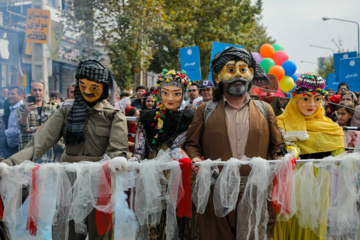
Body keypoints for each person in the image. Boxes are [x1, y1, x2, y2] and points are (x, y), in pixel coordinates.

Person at [0, 59, 130, 240]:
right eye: (83, 85)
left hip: (101, 181)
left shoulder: (113, 115)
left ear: (104, 86)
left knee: (100, 232)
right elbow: (39, 144)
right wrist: (8, 163)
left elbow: (118, 149)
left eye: (94, 87)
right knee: (67, 231)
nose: (87, 91)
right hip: (70, 181)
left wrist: (118, 159)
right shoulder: (66, 110)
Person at [185, 47, 285, 240]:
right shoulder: (205, 110)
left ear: (251, 76)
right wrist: (196, 159)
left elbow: (277, 146)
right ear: (217, 78)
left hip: (256, 193)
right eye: (230, 70)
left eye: (243, 70)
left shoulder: (265, 109)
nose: (237, 76)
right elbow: (192, 144)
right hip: (215, 193)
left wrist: (280, 164)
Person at [275, 73, 345, 240]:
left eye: (317, 99)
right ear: (296, 98)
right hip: (289, 186)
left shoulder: (331, 128)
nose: (311, 104)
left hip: (318, 186)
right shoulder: (280, 123)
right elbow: (276, 149)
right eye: (306, 99)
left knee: (314, 226)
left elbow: (339, 157)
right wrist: (291, 150)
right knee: (288, 226)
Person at [131, 69, 196, 239]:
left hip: (182, 172)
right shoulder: (147, 117)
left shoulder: (191, 116)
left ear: (183, 94)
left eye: (176, 93)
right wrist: (133, 160)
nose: (170, 98)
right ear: (159, 93)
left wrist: (177, 146)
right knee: (155, 220)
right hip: (154, 175)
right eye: (165, 93)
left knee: (183, 221)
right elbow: (138, 149)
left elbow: (194, 142)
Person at [17, 80, 57, 163]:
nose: (37, 92)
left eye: (40, 90)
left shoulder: (52, 109)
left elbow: (53, 129)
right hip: (27, 150)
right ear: (30, 91)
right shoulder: (22, 108)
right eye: (34, 90)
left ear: (44, 91)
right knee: (27, 174)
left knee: (45, 174)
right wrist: (26, 112)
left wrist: (30, 129)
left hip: (46, 151)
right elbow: (23, 128)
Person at [4, 86, 24, 157]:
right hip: (12, 148)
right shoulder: (13, 108)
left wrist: (4, 133)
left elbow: (19, 129)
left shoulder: (22, 108)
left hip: (18, 148)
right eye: (8, 94)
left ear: (21, 95)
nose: (9, 96)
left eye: (12, 94)